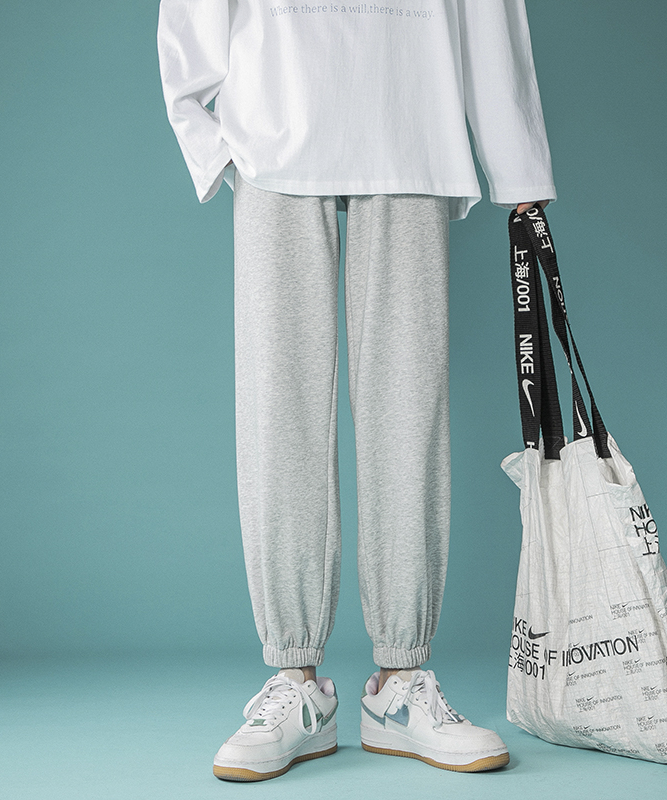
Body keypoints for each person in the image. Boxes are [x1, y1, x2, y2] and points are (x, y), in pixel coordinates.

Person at [157, 0, 554, 781]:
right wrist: (206, 134)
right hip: (274, 122)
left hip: (411, 118)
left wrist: (520, 168)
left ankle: (402, 682)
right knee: (280, 413)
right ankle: (295, 680)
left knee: (410, 414)